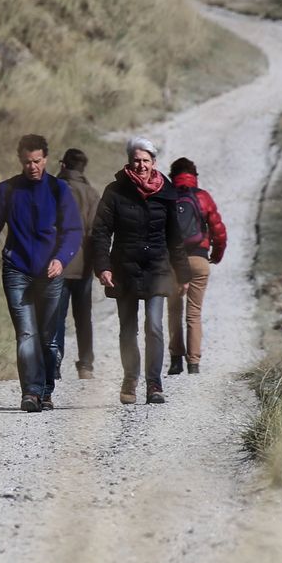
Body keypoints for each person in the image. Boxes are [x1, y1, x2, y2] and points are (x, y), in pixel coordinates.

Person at [0, 133, 82, 413]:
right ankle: (30, 393)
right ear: (20, 161)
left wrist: (61, 259)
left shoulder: (59, 190)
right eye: (27, 162)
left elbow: (73, 231)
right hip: (16, 269)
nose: (32, 167)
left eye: (37, 161)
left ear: (45, 159)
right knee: (26, 334)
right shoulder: (7, 191)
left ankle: (46, 390)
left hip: (50, 273)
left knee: (47, 337)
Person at [87, 136, 181, 405]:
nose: (141, 165)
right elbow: (101, 232)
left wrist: (182, 273)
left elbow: (175, 236)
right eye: (136, 161)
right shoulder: (115, 191)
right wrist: (103, 267)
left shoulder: (166, 192)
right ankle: (130, 378)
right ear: (130, 162)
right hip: (124, 269)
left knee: (154, 326)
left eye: (145, 161)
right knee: (128, 330)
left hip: (157, 268)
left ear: (154, 163)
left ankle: (154, 383)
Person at [165, 156, 227, 376]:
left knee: (173, 310)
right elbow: (218, 229)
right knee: (194, 313)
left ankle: (175, 360)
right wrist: (216, 255)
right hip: (199, 259)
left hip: (173, 261)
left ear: (172, 176)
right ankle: (193, 363)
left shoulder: (168, 196)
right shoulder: (202, 197)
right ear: (194, 177)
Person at [50, 148, 102, 383]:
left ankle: (55, 363)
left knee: (56, 317)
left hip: (56, 263)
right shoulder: (91, 194)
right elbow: (95, 231)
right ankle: (86, 366)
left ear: (63, 165)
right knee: (83, 318)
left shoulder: (51, 190)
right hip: (83, 266)